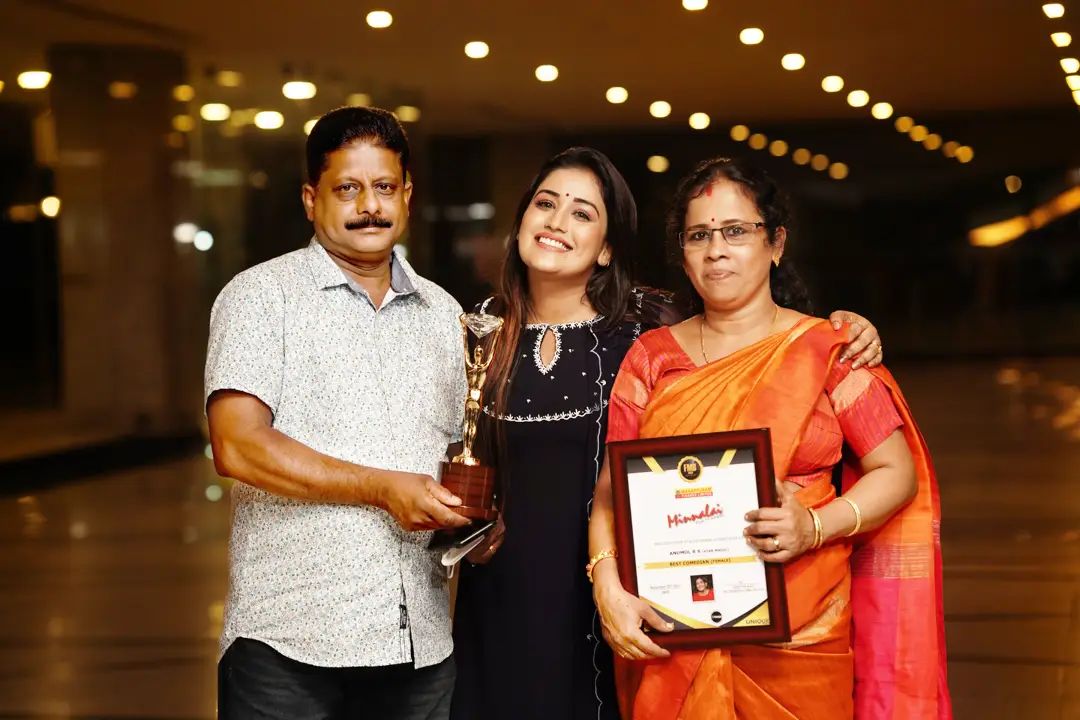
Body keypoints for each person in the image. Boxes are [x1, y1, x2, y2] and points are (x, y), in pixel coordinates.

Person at [450, 147, 885, 720]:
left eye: (583, 213)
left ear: (608, 247)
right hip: (506, 595)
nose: (557, 222)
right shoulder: (475, 330)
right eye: (545, 204)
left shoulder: (646, 331)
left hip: (644, 600)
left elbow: (748, 326)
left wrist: (848, 329)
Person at [588, 157, 951, 720]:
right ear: (681, 252)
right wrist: (607, 590)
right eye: (698, 236)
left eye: (736, 231)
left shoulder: (829, 350)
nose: (716, 250)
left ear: (775, 243)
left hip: (803, 639)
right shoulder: (652, 358)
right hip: (673, 635)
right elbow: (613, 496)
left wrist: (813, 527)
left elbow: (895, 471)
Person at [205, 106, 470, 720]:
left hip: (418, 642)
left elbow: (459, 453)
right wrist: (381, 488)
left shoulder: (444, 313)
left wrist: (474, 523)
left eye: (383, 187)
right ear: (310, 199)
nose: (368, 206)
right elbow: (237, 446)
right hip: (290, 642)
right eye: (347, 189)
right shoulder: (259, 297)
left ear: (406, 196)